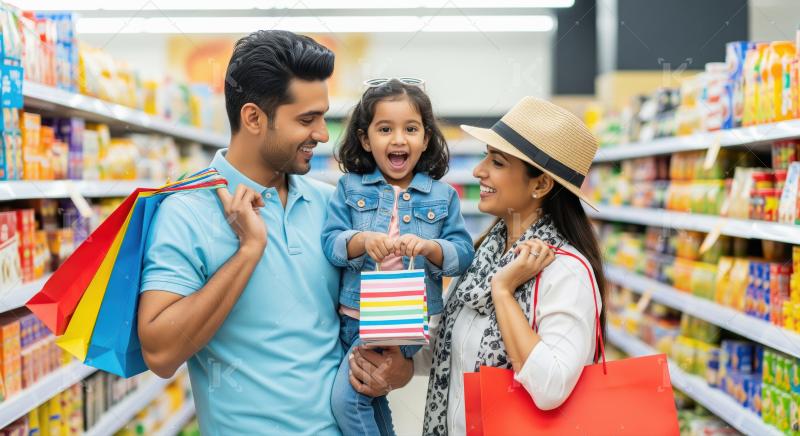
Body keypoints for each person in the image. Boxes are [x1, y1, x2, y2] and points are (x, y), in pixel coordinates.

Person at [350, 97, 607, 435]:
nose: (478, 170)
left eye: (497, 162)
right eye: (485, 155)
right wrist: (402, 365)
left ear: (540, 184)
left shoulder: (565, 271)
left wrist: (503, 291)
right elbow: (451, 342)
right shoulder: (485, 253)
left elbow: (551, 388)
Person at [137, 30, 343, 435]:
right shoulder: (187, 211)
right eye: (306, 119)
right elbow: (160, 352)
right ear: (253, 118)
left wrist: (392, 366)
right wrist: (248, 251)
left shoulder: (330, 203)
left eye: (322, 116)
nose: (322, 134)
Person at [321, 78, 474, 436]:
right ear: (365, 139)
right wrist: (360, 241)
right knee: (370, 397)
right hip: (354, 316)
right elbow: (331, 242)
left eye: (411, 129)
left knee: (347, 400)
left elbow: (463, 253)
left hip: (404, 318)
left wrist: (431, 248)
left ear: (425, 138)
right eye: (385, 129)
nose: (398, 139)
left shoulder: (442, 196)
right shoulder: (349, 188)